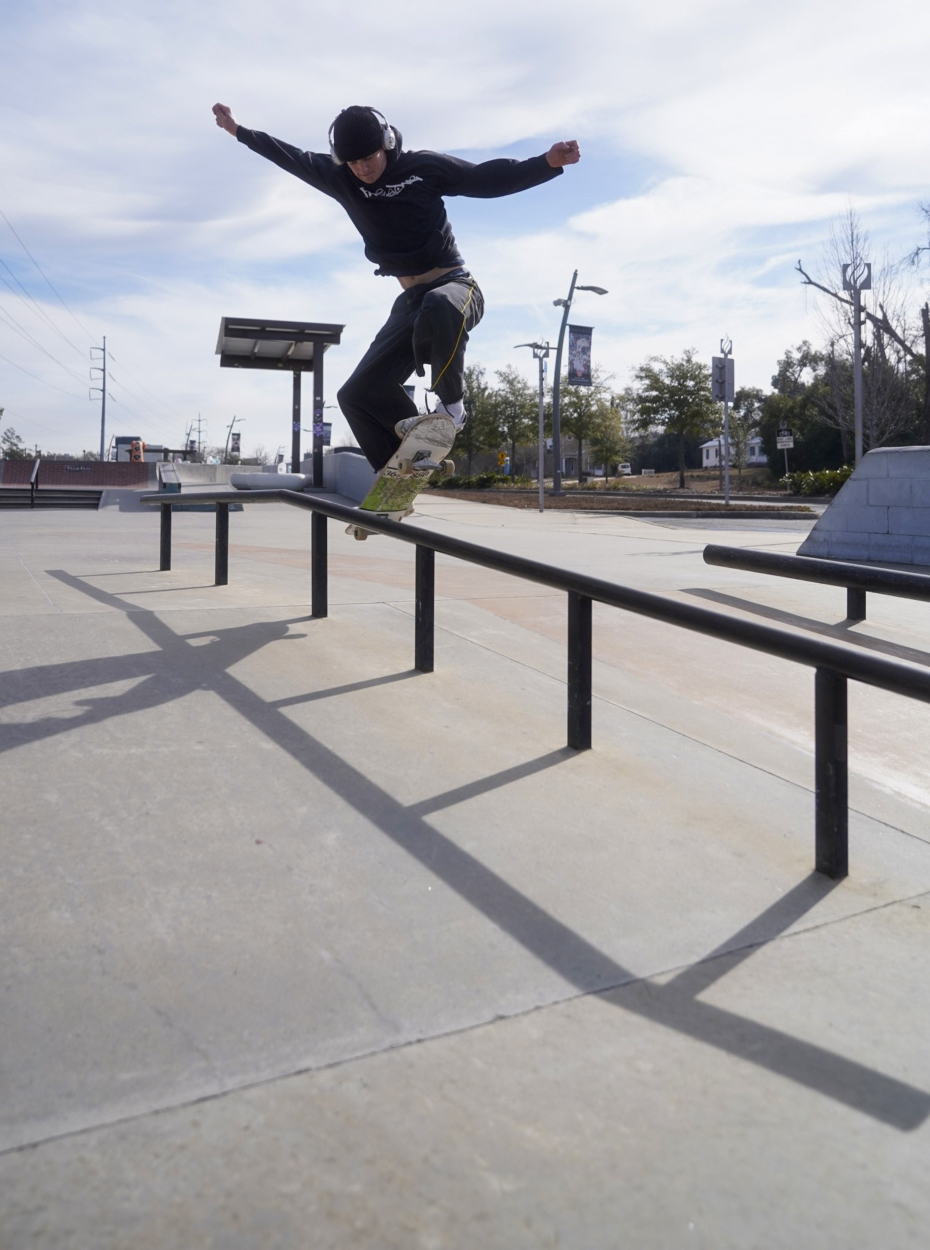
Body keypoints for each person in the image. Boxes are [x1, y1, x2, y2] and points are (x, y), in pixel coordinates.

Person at [213, 102, 580, 472]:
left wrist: (546, 163)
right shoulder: (341, 177)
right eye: (353, 163)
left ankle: (452, 409)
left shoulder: (422, 168)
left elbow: (484, 178)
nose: (363, 169)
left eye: (369, 158)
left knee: (439, 304)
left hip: (457, 288)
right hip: (411, 302)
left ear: (386, 143)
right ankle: (403, 466)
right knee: (355, 394)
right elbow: (289, 156)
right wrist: (239, 131)